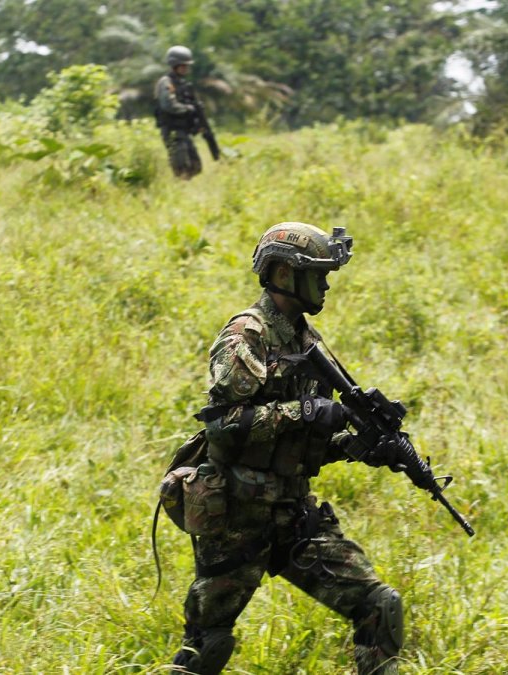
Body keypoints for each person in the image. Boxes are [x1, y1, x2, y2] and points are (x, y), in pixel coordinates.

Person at [171, 223, 403, 674]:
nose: (326, 285)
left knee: (379, 606)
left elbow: (304, 441)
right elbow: (222, 427)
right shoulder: (246, 336)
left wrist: (360, 447)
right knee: (207, 644)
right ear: (283, 274)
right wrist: (307, 412)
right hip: (237, 516)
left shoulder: (307, 341)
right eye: (318, 275)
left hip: (294, 515)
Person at [154, 45, 203, 179]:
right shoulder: (166, 83)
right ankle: (179, 187)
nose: (186, 68)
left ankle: (185, 186)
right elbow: (168, 105)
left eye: (187, 65)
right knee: (182, 167)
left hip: (183, 130)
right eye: (183, 65)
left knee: (195, 166)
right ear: (174, 65)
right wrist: (188, 109)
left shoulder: (183, 84)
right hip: (172, 130)